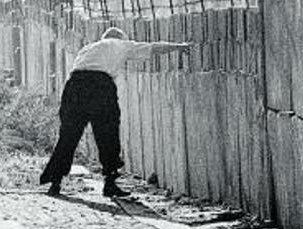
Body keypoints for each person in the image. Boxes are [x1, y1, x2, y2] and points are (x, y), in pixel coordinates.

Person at [39, 27, 190, 197]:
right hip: (100, 86)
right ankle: (110, 183)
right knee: (107, 135)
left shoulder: (88, 48)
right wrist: (179, 47)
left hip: (74, 85)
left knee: (68, 135)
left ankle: (55, 181)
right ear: (121, 38)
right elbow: (154, 47)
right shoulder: (122, 44)